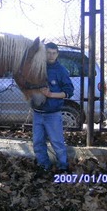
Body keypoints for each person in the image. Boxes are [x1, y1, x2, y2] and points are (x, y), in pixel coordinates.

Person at [31, 42, 74, 175]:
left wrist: (51, 94)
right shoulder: (37, 67)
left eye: (54, 53)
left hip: (53, 114)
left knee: (57, 142)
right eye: (48, 52)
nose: (51, 55)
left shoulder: (61, 70)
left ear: (57, 54)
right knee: (38, 142)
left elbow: (69, 91)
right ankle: (43, 165)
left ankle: (63, 167)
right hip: (37, 113)